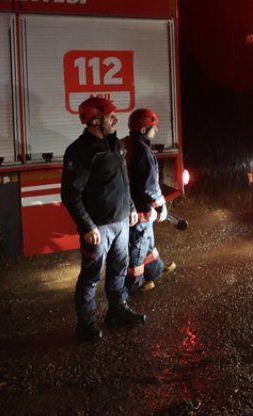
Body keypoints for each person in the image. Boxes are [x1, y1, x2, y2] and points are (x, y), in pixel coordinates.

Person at [62, 96, 146, 342]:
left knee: (119, 270)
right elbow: (70, 194)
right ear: (96, 121)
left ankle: (117, 311)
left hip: (121, 223)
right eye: (111, 116)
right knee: (90, 276)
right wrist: (87, 226)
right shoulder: (80, 152)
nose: (116, 119)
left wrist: (130, 206)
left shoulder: (115, 145)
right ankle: (85, 324)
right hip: (99, 228)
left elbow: (123, 182)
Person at [122, 108, 176, 293]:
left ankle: (154, 270)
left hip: (133, 206)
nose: (157, 130)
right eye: (154, 127)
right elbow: (149, 187)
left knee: (147, 242)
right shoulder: (143, 151)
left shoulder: (127, 143)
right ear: (144, 130)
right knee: (137, 247)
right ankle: (135, 284)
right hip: (140, 209)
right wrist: (161, 206)